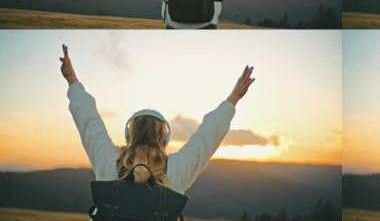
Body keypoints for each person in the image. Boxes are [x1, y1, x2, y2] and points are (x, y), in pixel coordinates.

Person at [59, 44, 255, 194]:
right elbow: (208, 135)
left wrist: (72, 80)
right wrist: (233, 98)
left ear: (129, 134)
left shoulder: (107, 161)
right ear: (164, 138)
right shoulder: (177, 170)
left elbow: (88, 120)